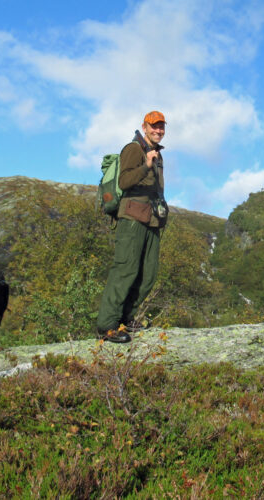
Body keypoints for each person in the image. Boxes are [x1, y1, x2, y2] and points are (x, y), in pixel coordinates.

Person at [96, 111, 168, 342]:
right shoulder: (132, 149)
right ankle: (107, 325)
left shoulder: (158, 154)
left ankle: (127, 317)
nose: (158, 130)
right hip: (132, 218)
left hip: (152, 221)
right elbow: (124, 182)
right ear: (144, 127)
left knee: (149, 274)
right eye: (153, 126)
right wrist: (146, 166)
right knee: (125, 269)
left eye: (161, 127)